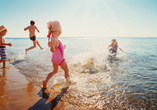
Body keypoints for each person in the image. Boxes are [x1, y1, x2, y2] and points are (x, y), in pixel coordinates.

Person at [43, 21, 70, 88]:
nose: (61, 32)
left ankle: (45, 81)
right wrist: (52, 46)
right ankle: (69, 83)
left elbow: (57, 48)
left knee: (54, 71)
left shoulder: (54, 38)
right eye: (60, 30)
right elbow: (52, 50)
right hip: (59, 58)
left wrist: (63, 47)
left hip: (55, 58)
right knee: (66, 70)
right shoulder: (54, 39)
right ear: (58, 30)